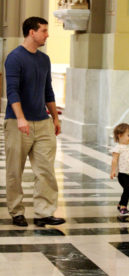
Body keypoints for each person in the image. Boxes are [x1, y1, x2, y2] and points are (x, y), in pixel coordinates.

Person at [4, 16, 66, 227]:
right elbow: (12, 91)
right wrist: (20, 118)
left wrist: (55, 118)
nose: (47, 35)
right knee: (15, 170)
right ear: (32, 32)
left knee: (46, 170)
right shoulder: (14, 58)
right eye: (44, 31)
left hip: (43, 122)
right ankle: (16, 211)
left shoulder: (44, 59)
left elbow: (48, 90)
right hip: (17, 123)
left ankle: (44, 212)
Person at [110, 123, 129, 216]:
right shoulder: (117, 148)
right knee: (127, 189)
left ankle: (120, 204)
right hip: (123, 174)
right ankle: (123, 207)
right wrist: (113, 171)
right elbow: (114, 160)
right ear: (120, 136)